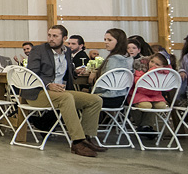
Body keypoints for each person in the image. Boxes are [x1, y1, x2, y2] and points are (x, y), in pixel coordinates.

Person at [21, 25, 105, 157]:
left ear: (64, 38)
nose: (51, 39)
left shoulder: (66, 52)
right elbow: (32, 73)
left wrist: (75, 71)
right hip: (38, 93)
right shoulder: (38, 50)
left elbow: (63, 71)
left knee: (95, 100)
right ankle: (77, 141)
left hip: (60, 92)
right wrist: (48, 84)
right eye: (49, 35)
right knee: (66, 98)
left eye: (55, 36)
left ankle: (86, 138)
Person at [90, 29, 133, 108]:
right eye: (105, 39)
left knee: (79, 98)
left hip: (105, 98)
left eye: (109, 40)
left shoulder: (113, 59)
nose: (106, 42)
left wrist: (91, 88)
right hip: (122, 97)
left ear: (119, 42)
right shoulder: (129, 58)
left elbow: (103, 85)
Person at [129, 53, 171, 132]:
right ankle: (143, 126)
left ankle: (146, 126)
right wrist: (151, 72)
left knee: (161, 105)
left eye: (157, 64)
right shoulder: (141, 69)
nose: (153, 65)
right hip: (139, 94)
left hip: (155, 96)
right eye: (152, 61)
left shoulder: (164, 74)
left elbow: (167, 88)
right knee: (146, 105)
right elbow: (140, 85)